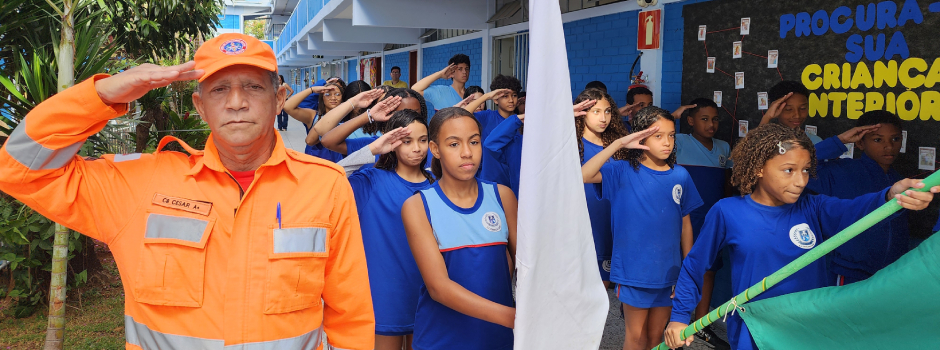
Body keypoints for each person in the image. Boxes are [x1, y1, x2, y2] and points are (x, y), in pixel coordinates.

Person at [0, 33, 374, 349]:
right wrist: (102, 94)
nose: (236, 102)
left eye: (254, 87)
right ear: (199, 106)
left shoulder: (325, 186)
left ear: (279, 99)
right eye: (220, 89)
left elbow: (350, 317)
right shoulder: (140, 184)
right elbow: (18, 169)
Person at [665, 123, 939, 350]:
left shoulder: (814, 207)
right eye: (789, 170)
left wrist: (890, 195)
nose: (800, 181)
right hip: (757, 331)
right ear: (759, 168)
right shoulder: (728, 211)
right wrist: (678, 319)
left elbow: (857, 210)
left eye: (806, 170)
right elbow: (695, 266)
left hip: (808, 329)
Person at [581, 107, 702, 350]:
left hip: (669, 273)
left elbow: (685, 225)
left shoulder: (681, 176)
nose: (667, 142)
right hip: (633, 272)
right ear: (641, 137)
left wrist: (688, 269)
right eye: (658, 136)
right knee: (635, 338)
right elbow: (582, 174)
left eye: (671, 135)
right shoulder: (622, 170)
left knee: (657, 337)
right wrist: (619, 144)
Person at [401, 107, 517, 350]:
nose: (467, 153)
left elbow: (525, 265)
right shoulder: (418, 205)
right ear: (435, 149)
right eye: (454, 144)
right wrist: (513, 318)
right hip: (442, 340)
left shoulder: (502, 196)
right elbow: (439, 288)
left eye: (474, 142)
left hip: (498, 338)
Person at [343, 110, 433, 350]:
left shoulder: (437, 184)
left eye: (423, 140)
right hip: (384, 297)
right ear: (392, 143)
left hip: (430, 294)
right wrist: (371, 150)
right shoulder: (371, 180)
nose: (417, 148)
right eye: (407, 141)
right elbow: (326, 180)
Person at [807, 110, 908, 286]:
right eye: (878, 140)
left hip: (891, 274)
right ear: (860, 143)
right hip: (851, 272)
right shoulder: (840, 171)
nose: (889, 146)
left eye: (895, 139)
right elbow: (798, 165)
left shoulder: (899, 180)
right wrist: (839, 142)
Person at [673, 98, 732, 349]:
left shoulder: (724, 147)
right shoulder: (678, 141)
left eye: (715, 119)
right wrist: (673, 116)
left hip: (713, 218)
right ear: (690, 121)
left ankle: (701, 321)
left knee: (709, 270)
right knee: (681, 267)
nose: (711, 124)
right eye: (704, 119)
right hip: (685, 218)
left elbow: (727, 185)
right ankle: (674, 319)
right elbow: (647, 135)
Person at [572, 88, 630, 287]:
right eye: (596, 111)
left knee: (602, 288)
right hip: (581, 223)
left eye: (607, 111)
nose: (603, 117)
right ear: (583, 113)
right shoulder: (570, 144)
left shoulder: (620, 144)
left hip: (610, 222)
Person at [758, 81, 878, 161]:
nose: (797, 115)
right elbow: (752, 153)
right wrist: (767, 117)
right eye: (788, 109)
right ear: (775, 109)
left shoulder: (815, 140)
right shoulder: (767, 138)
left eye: (803, 108)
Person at [320, 88, 428, 156]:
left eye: (414, 113)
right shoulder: (374, 145)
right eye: (400, 114)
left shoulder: (427, 146)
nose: (408, 119)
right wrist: (369, 116)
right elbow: (327, 141)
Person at [461, 75, 518, 184]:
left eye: (514, 95)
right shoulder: (487, 116)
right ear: (496, 100)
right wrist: (486, 96)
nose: (511, 100)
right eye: (506, 96)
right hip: (489, 177)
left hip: (514, 178)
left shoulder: (519, 122)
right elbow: (463, 114)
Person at [284, 77, 346, 161]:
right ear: (322, 97)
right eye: (328, 94)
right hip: (316, 164)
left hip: (340, 166)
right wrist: (312, 89)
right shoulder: (314, 116)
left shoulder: (347, 118)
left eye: (337, 94)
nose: (333, 98)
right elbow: (288, 107)